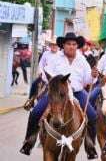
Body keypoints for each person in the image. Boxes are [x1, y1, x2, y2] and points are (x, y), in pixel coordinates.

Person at [20, 32, 99, 160]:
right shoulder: (55, 58)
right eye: (68, 44)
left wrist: (93, 76)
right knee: (35, 112)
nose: (71, 46)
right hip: (57, 93)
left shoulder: (82, 60)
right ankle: (29, 141)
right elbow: (46, 75)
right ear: (63, 45)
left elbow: (88, 80)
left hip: (77, 92)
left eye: (74, 44)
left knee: (93, 116)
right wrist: (56, 81)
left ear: (77, 46)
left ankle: (90, 146)